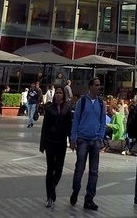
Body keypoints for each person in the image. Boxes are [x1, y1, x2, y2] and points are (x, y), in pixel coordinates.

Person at [69, 77, 107, 211]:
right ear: (90, 87)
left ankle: (89, 198)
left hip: (95, 140)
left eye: (99, 85)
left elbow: (103, 121)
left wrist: (101, 137)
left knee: (94, 171)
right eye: (96, 85)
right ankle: (76, 189)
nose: (99, 87)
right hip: (82, 140)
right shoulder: (82, 101)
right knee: (79, 168)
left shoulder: (102, 103)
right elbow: (76, 119)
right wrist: (73, 138)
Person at [39, 85, 73, 208]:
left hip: (61, 142)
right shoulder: (49, 109)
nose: (58, 94)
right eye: (57, 93)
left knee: (59, 169)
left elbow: (69, 126)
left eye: (60, 93)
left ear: (63, 95)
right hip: (50, 142)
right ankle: (49, 196)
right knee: (50, 169)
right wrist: (42, 144)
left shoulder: (67, 109)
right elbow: (45, 127)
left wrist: (72, 140)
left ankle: (53, 186)